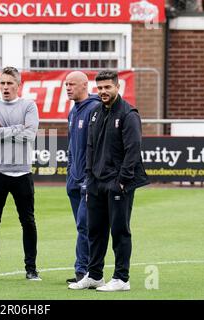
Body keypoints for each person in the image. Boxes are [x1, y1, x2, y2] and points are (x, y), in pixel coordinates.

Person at [69, 70, 149, 292]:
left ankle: (121, 278)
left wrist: (122, 180)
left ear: (117, 87)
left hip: (117, 183)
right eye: (100, 88)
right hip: (95, 182)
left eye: (107, 87)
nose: (103, 92)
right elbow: (90, 146)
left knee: (119, 231)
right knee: (95, 230)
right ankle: (94, 275)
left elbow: (133, 150)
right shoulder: (95, 112)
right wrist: (88, 178)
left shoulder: (128, 113)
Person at [0, 66, 41, 281]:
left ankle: (31, 268)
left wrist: (3, 130)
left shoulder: (29, 105)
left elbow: (30, 134)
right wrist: (18, 128)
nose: (5, 87)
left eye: (9, 83)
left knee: (28, 221)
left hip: (22, 173)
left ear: (18, 85)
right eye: (2, 83)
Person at [64, 71, 101, 285]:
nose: (68, 88)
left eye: (72, 84)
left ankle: (85, 270)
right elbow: (71, 146)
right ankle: (82, 268)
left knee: (86, 224)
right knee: (81, 225)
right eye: (66, 84)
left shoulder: (94, 109)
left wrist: (90, 176)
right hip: (74, 179)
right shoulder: (72, 112)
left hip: (88, 179)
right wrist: (70, 172)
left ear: (85, 85)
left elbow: (96, 146)